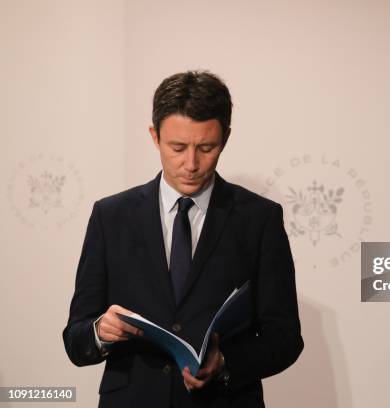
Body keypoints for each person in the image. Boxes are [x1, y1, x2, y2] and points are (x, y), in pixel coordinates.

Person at [62, 70, 304, 408]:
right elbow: (76, 338)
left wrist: (226, 363)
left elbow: (285, 337)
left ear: (226, 138)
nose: (191, 164)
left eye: (206, 147)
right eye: (177, 147)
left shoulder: (259, 218)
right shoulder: (110, 216)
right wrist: (100, 331)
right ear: (154, 136)